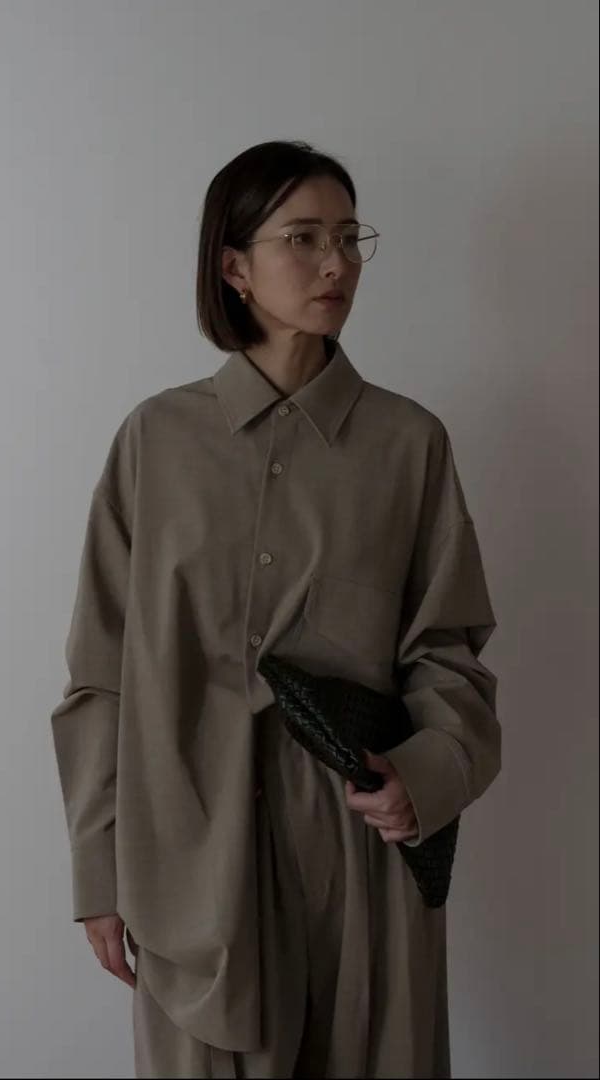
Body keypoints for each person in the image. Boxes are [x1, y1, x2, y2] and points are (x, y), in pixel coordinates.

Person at [50, 139, 501, 1079]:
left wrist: (427, 773)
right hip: (187, 859)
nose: (336, 263)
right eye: (303, 238)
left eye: (349, 237)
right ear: (234, 267)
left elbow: (450, 649)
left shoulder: (408, 444)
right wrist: (100, 870)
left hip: (360, 852)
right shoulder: (156, 442)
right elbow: (100, 673)